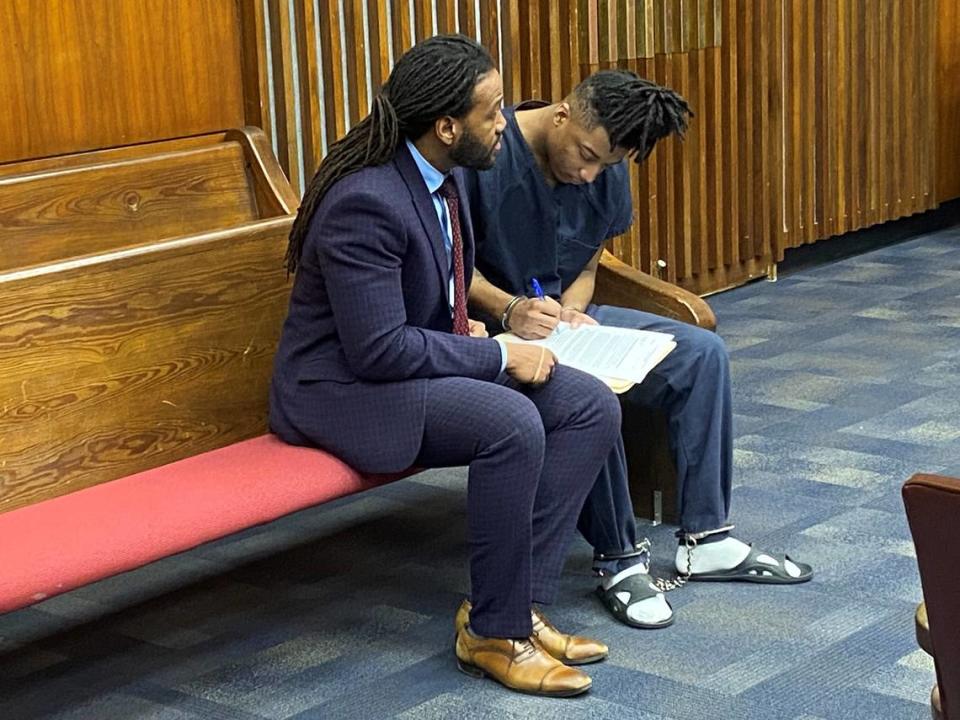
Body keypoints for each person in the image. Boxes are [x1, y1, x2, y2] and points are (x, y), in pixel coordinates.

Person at [269, 35, 622, 697]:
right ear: (447, 125)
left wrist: (493, 325)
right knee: (510, 421)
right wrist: (494, 354)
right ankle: (493, 632)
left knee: (588, 405)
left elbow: (436, 300)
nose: (504, 124)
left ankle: (519, 606)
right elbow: (376, 350)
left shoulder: (446, 175)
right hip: (337, 390)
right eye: (492, 113)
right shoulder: (365, 202)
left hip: (402, 370)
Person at [462, 69, 813, 630]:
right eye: (585, 154)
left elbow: (587, 259)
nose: (588, 172)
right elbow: (454, 264)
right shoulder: (489, 155)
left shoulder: (605, 168)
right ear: (560, 115)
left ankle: (706, 536)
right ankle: (620, 560)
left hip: (562, 322)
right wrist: (509, 309)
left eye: (605, 164)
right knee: (582, 390)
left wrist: (574, 311)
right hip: (492, 330)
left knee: (701, 354)